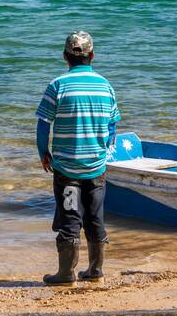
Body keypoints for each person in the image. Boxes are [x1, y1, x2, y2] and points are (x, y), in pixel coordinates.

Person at [36, 31, 121, 285]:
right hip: (96, 170)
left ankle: (66, 274)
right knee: (95, 217)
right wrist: (104, 151)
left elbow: (43, 124)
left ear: (65, 56)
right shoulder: (105, 86)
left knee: (70, 216)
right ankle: (95, 271)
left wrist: (44, 153)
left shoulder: (58, 86)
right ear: (92, 55)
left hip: (67, 171)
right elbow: (113, 126)